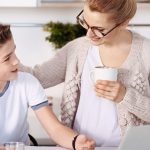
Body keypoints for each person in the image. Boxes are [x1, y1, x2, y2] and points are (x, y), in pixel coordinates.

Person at [20, 0, 150, 147]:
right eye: (85, 23)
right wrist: (6, 55)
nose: (89, 34)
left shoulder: (146, 53)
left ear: (123, 23)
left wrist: (125, 96)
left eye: (99, 29)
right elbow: (35, 77)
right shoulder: (77, 50)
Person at [0, 24, 95, 150]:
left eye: (14, 52)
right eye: (7, 58)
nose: (16, 61)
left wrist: (76, 142)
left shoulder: (27, 82)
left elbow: (54, 128)